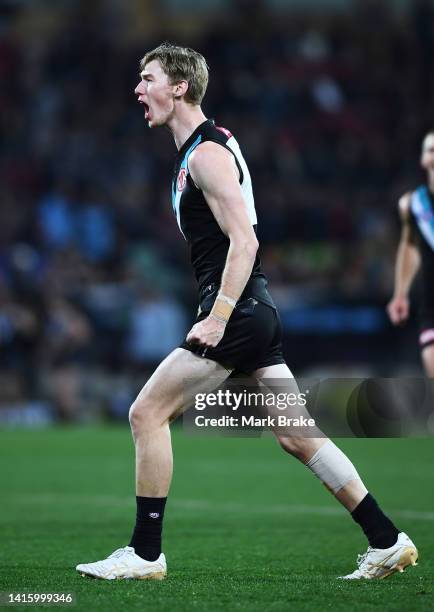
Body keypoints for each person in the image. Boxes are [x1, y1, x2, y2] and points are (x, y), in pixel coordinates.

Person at [76, 43, 417, 581]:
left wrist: (218, 316)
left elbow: (245, 241)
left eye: (147, 79)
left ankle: (144, 554)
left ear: (179, 86)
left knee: (146, 413)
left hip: (236, 311)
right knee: (298, 436)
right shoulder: (201, 149)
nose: (138, 90)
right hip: (254, 310)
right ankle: (387, 540)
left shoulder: (207, 154)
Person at [387, 130, 434, 377]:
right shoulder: (413, 204)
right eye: (431, 149)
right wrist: (401, 294)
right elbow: (410, 247)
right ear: (423, 159)